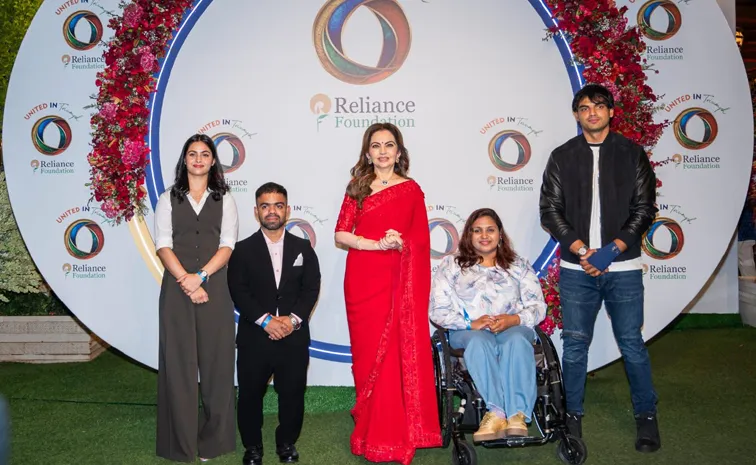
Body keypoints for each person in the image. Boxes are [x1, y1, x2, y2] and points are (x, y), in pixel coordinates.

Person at [539, 84, 660, 452]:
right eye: (584, 107)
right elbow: (550, 212)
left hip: (623, 268)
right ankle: (571, 418)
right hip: (577, 270)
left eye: (599, 106)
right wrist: (581, 251)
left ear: (610, 112)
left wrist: (612, 250)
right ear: (576, 115)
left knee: (632, 344)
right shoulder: (562, 157)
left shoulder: (632, 154)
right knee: (575, 347)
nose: (592, 112)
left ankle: (647, 417)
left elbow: (645, 208)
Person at [334, 122, 441, 465]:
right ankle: (368, 429)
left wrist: (400, 243)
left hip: (398, 281)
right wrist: (375, 243)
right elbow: (340, 234)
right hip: (363, 278)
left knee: (394, 355)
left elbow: (422, 243)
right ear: (367, 152)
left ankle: (394, 435)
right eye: (376, 146)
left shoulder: (411, 190)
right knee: (368, 360)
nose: (382, 151)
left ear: (399, 151)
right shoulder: (358, 187)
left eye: (389, 145)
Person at [430, 208, 546, 442]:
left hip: (513, 326)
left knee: (516, 339)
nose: (484, 235)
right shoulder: (452, 266)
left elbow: (537, 306)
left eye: (490, 230)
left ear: (500, 234)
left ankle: (517, 415)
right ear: (468, 235)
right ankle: (496, 412)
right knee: (480, 341)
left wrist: (513, 320)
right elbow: (438, 310)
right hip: (467, 331)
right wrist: (470, 323)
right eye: (477, 230)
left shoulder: (518, 265)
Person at [155, 134, 238, 462]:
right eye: (193, 154)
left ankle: (213, 442)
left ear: (214, 161)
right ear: (185, 160)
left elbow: (228, 244)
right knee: (179, 366)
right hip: (176, 291)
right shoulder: (167, 199)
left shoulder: (225, 199)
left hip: (215, 289)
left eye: (205, 154)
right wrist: (185, 281)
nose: (199, 159)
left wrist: (200, 277)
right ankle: (181, 444)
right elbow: (163, 244)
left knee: (218, 365)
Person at [228, 182, 321, 465]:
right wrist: (266, 321)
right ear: (256, 212)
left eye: (278, 205)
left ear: (288, 210)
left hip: (293, 337)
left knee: (292, 394)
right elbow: (238, 290)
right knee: (250, 396)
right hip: (255, 336)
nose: (272, 211)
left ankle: (286, 443)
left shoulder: (303, 247)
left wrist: (292, 321)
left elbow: (311, 288)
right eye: (265, 206)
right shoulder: (242, 250)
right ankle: (252, 447)